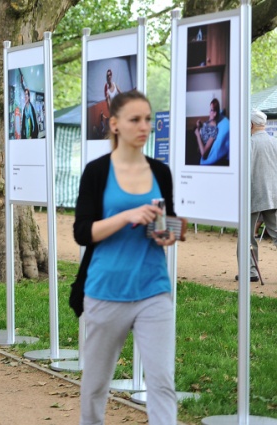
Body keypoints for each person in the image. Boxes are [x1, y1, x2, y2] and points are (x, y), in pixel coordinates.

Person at [72, 91, 177, 425]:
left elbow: (168, 221)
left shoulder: (161, 171)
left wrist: (170, 232)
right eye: (135, 120)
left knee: (162, 381)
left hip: (153, 288)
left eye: (147, 119)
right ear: (115, 124)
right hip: (105, 290)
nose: (144, 126)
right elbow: (82, 232)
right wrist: (127, 215)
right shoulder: (97, 172)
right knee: (95, 385)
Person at [236, 109, 277, 283]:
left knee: (247, 236)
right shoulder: (275, 142)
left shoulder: (248, 144)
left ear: (251, 124)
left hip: (251, 196)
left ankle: (250, 271)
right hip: (274, 195)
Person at [194, 98, 230, 166]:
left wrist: (198, 135)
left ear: (215, 113)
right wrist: (199, 126)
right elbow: (204, 132)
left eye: (211, 110)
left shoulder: (214, 130)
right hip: (197, 145)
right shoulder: (209, 121)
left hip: (199, 154)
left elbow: (203, 153)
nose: (209, 112)